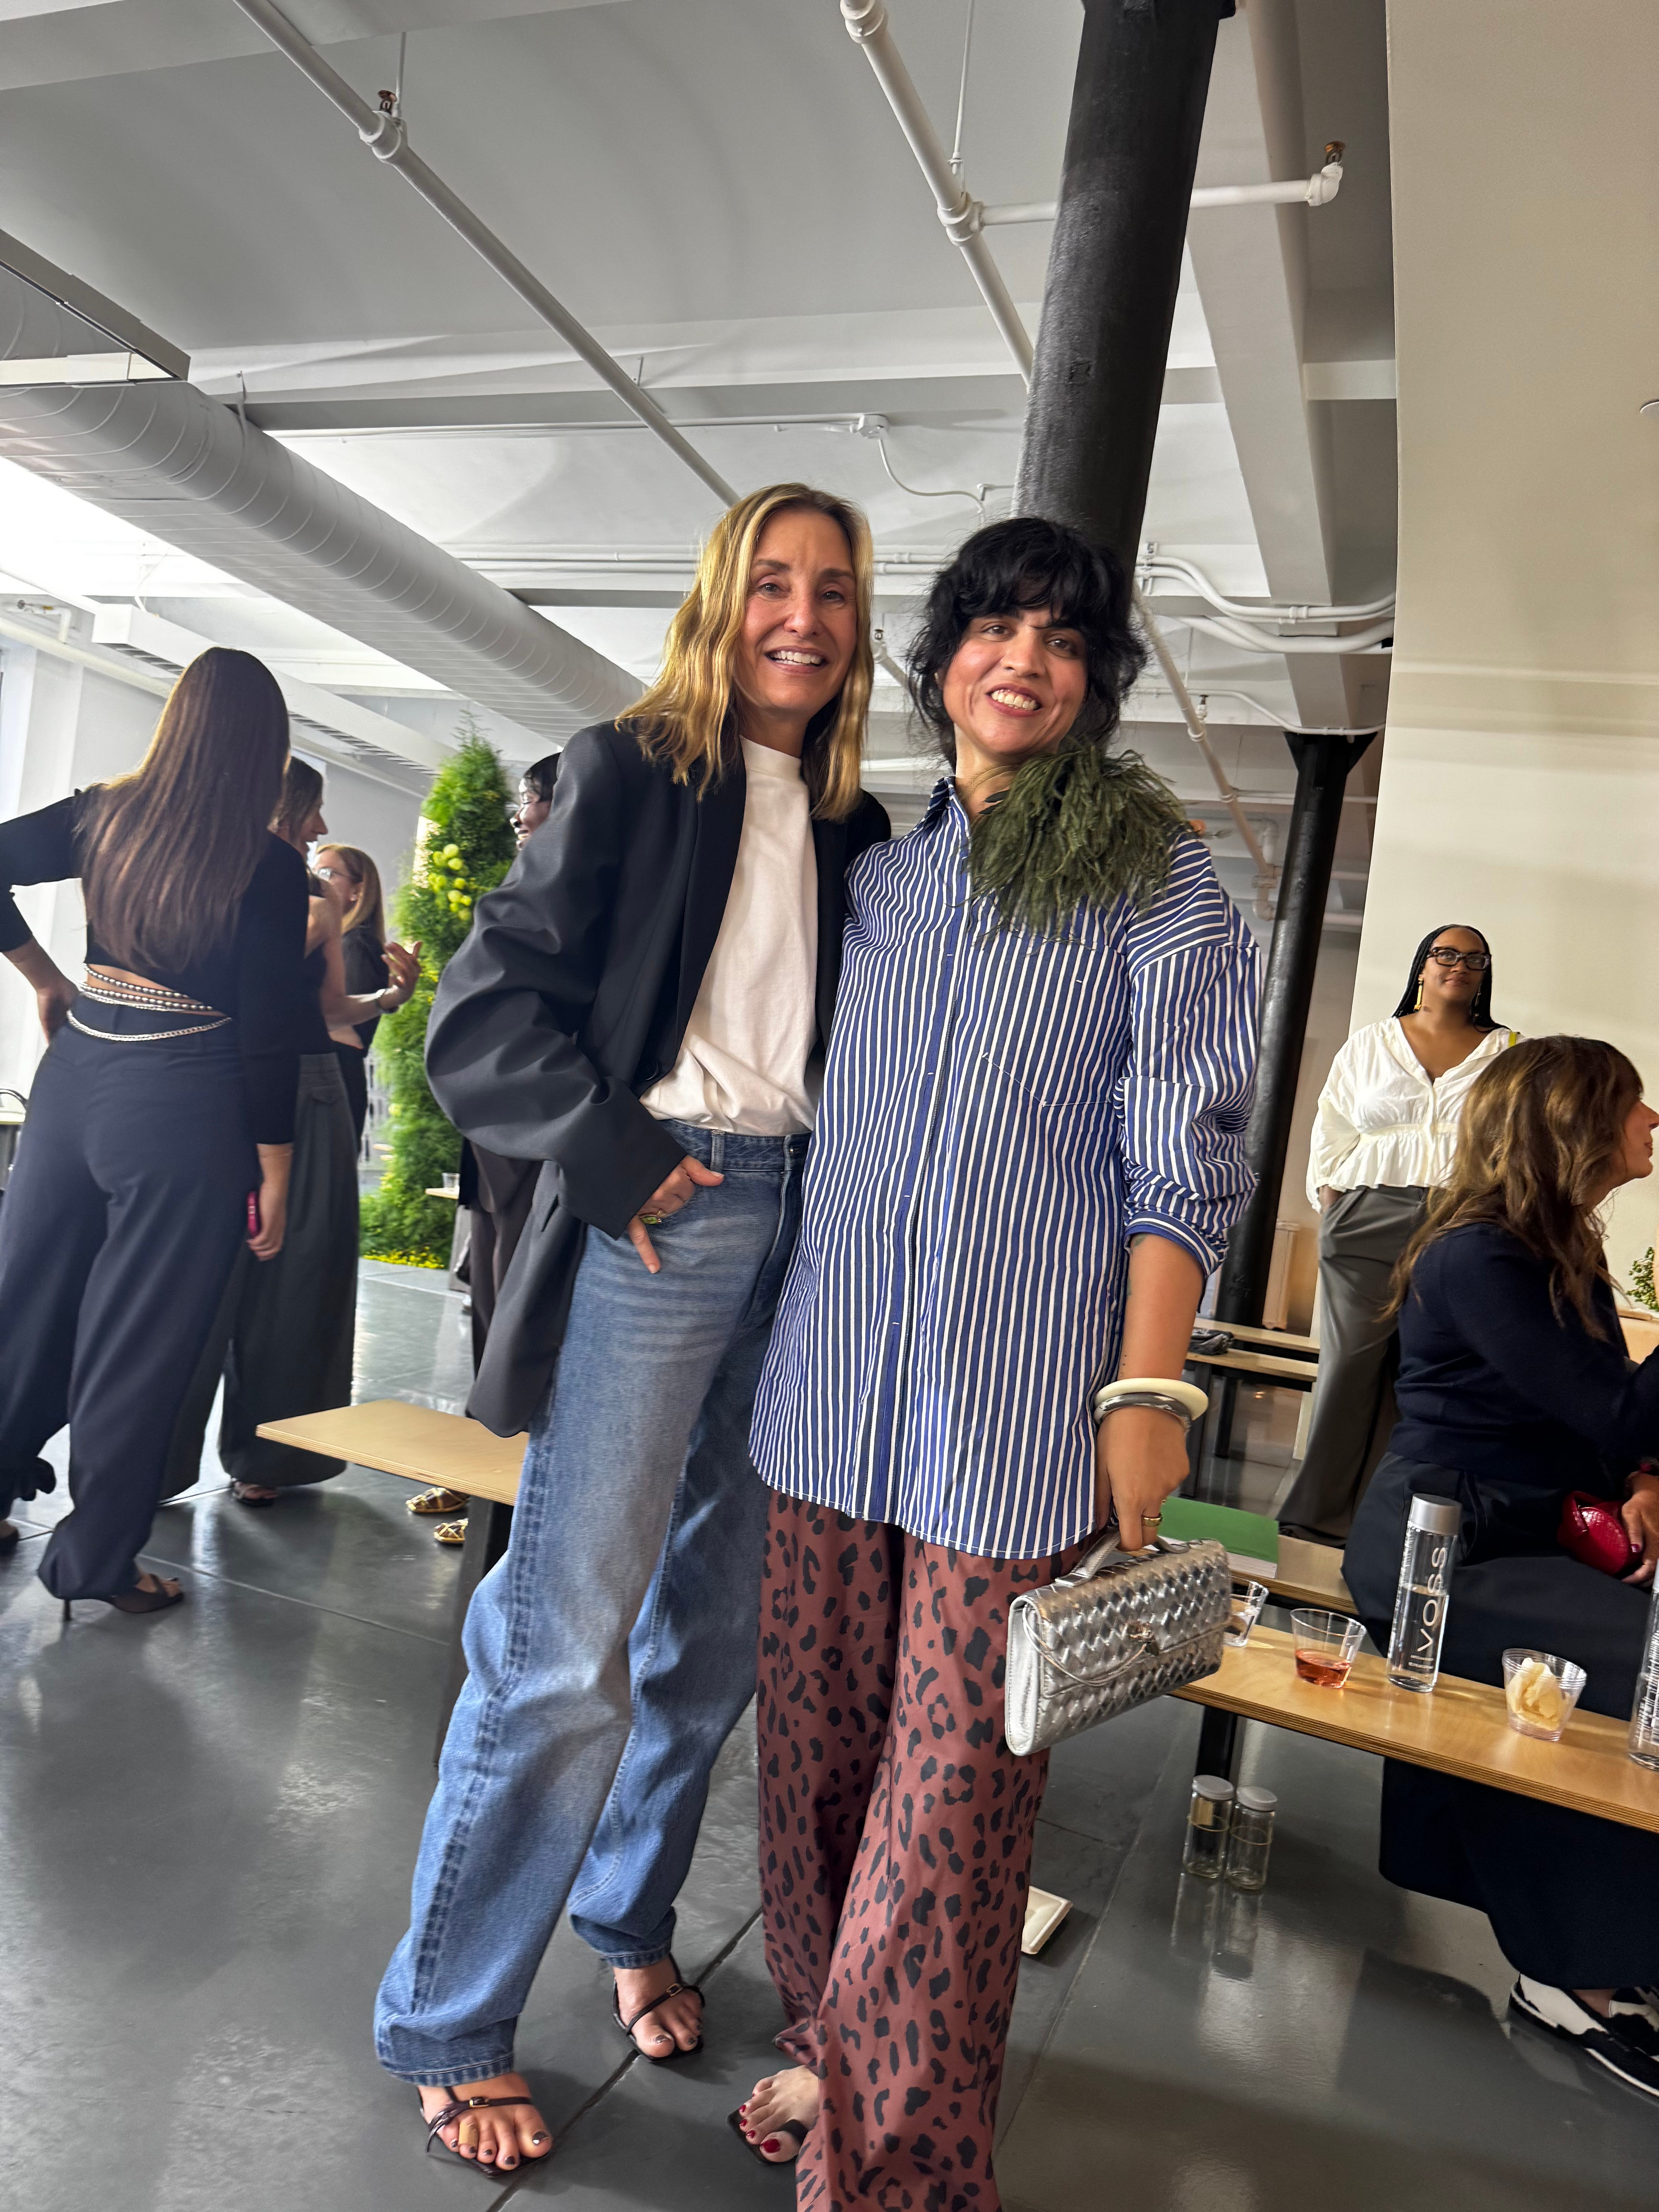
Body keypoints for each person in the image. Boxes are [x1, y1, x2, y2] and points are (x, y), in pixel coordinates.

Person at [734, 516, 1260, 2200]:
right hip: (826, 1403)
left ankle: (896, 2170)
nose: (1021, 656)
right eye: (992, 624)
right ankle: (830, 2051)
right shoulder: (878, 880)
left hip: (1010, 1425)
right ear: (941, 656)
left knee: (950, 1802)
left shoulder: (1158, 879)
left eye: (1061, 635)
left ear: (1097, 679)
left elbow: (1187, 1159)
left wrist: (1148, 1395)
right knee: (814, 1765)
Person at [374, 482, 890, 2172]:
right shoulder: (625, 769)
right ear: (720, 601)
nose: (801, 616)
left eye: (832, 589)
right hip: (668, 1213)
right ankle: (449, 2019)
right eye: (773, 583)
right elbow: (478, 1016)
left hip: (805, 1229)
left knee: (714, 1629)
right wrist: (615, 1159)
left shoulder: (855, 826)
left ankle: (624, 1911)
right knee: (563, 1644)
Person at [1344, 1035, 1659, 2100]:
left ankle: (1610, 1941)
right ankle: (1573, 1972)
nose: (1652, 1122)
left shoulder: (1556, 1250)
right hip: (1443, 1553)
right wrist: (1632, 1448)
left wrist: (1644, 1480)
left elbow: (1601, 1426)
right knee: (1637, 1668)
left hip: (1521, 1532)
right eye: (1633, 1103)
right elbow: (1613, 1407)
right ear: (1576, 1125)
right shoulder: (1477, 1255)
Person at [0, 649, 305, 1609]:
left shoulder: (102, 813)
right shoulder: (267, 865)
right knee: (141, 1338)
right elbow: (268, 1034)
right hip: (186, 1100)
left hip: (73, 1080)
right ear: (265, 749)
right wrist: (278, 1169)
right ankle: (94, 1562)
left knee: (22, 1307)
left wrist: (47, 979)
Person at [163, 762, 419, 1506]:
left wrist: (391, 997)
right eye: (313, 813)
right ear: (284, 810)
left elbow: (331, 1009)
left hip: (270, 1080)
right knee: (233, 1275)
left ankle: (254, 1459)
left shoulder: (288, 893)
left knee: (269, 1276)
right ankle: (193, 1461)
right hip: (245, 1084)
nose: (319, 829)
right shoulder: (253, 890)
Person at [1278, 925, 1517, 1545]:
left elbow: (1519, 1142)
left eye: (1474, 958)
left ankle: (1385, 1523)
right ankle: (1313, 1517)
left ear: (1485, 972)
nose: (1459, 965)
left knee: (1423, 1374)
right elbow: (1332, 1125)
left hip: (1459, 1223)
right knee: (1348, 1368)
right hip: (1367, 1215)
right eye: (1446, 954)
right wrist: (1332, 1201)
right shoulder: (1371, 1043)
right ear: (1422, 966)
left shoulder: (1510, 1052)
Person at [410, 759, 566, 1543]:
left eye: (532, 803)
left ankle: (507, 1506)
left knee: (522, 1330)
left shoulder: (586, 895)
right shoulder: (522, 884)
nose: (522, 819)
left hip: (542, 1144)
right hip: (493, 1144)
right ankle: (481, 1481)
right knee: (488, 1317)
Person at [316, 841, 391, 1151]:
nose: (316, 881)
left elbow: (352, 1032)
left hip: (336, 1082)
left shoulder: (357, 945)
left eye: (327, 873)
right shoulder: (340, 942)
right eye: (314, 871)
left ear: (357, 891)